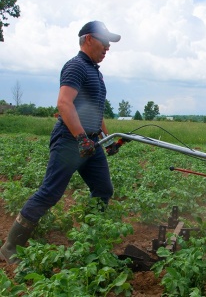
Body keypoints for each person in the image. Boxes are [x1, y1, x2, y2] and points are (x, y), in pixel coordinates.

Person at [0, 20, 121, 264]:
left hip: (90, 143)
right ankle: (10, 247)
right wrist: (80, 138)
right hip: (70, 141)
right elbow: (64, 104)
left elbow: (96, 111)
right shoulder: (76, 66)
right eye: (104, 42)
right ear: (88, 39)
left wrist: (106, 139)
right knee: (50, 192)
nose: (108, 47)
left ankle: (89, 237)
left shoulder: (95, 73)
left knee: (103, 189)